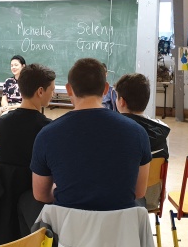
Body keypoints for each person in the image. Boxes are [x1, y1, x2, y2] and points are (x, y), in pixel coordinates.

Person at [31, 58, 152, 211]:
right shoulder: (137, 132)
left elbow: (41, 195)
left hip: (69, 224)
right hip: (119, 224)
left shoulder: (47, 135)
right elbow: (139, 192)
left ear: (69, 89)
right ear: (106, 89)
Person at [0, 64, 55, 247]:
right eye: (52, 90)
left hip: (1, 196)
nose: (53, 94)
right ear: (40, 91)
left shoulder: (1, 123)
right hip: (32, 196)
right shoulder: (47, 128)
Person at [114, 73, 170, 210]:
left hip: (121, 201)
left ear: (122, 102)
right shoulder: (162, 130)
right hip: (152, 199)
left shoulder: (115, 130)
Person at [0, 55, 26, 165]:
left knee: (4, 118)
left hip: (20, 107)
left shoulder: (28, 82)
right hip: (7, 106)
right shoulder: (8, 81)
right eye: (11, 65)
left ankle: (3, 147)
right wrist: (5, 106)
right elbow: (4, 98)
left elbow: (27, 102)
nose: (13, 67)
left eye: (16, 65)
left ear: (23, 66)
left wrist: (10, 108)